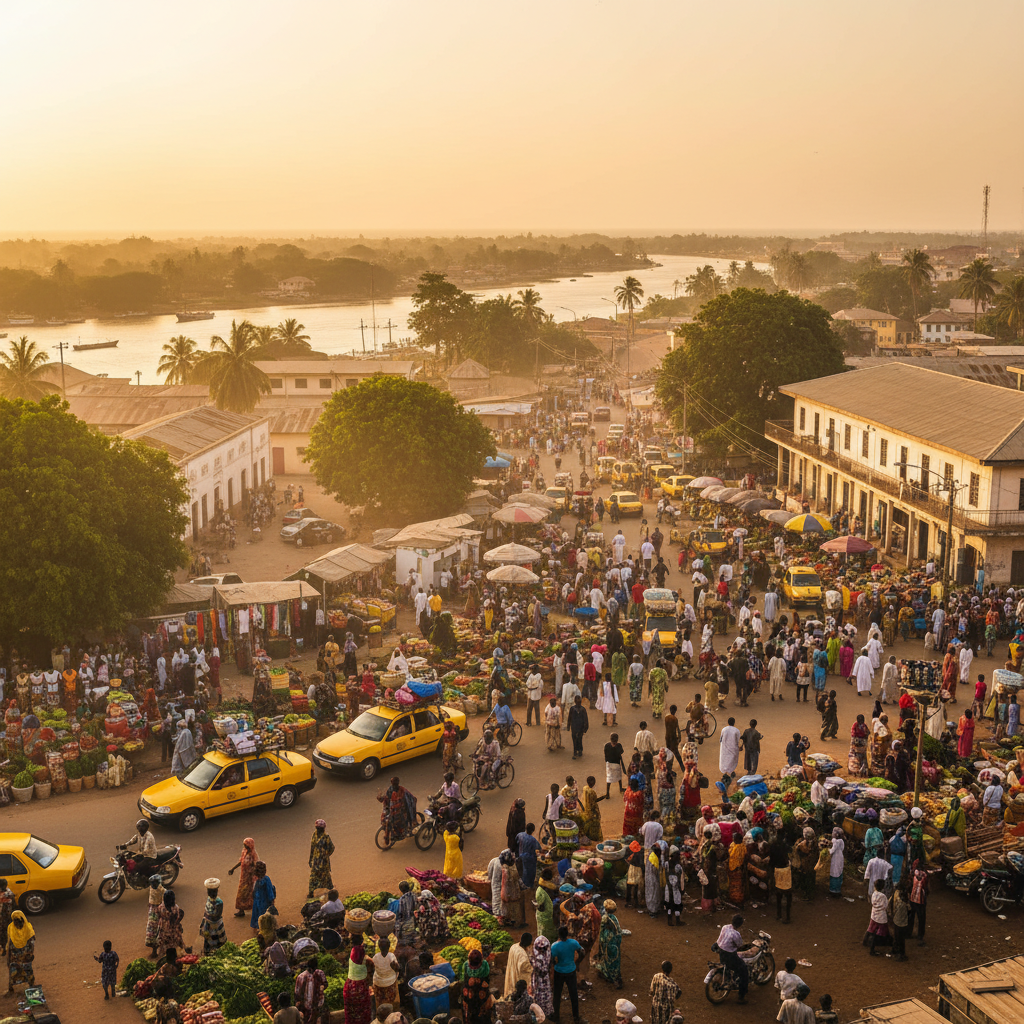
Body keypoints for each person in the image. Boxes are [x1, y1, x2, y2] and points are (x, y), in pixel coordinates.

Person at [550, 925, 583, 1024]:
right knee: (573, 994)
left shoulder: (554, 946)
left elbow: (551, 959)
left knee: (557, 994)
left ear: (559, 934)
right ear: (567, 934)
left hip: (559, 971)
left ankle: (556, 1017)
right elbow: (582, 951)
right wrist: (577, 962)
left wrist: (555, 964)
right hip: (571, 971)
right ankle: (576, 1017)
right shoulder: (573, 942)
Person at [715, 914, 749, 1004]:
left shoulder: (725, 927)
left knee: (733, 967)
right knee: (744, 973)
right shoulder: (736, 934)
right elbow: (739, 945)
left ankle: (732, 978)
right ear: (740, 925)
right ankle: (741, 997)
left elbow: (720, 939)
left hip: (721, 953)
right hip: (730, 956)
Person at [378, 776, 416, 842]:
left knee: (394, 820)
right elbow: (384, 799)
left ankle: (394, 835)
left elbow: (410, 797)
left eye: (395, 783)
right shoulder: (389, 790)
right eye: (393, 783)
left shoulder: (402, 790)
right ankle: (390, 834)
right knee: (386, 820)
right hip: (390, 809)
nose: (394, 784)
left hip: (400, 810)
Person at [594, 899, 623, 987]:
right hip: (614, 941)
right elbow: (619, 932)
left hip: (606, 941)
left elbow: (601, 930)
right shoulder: (615, 919)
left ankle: (609, 976)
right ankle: (616, 977)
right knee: (615, 960)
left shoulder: (605, 918)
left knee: (606, 958)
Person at [228, 837, 259, 918]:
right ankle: (241, 909)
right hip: (243, 877)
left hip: (250, 878)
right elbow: (241, 861)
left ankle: (251, 908)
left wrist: (255, 875)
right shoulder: (244, 852)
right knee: (242, 893)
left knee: (249, 893)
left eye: (246, 845)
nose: (245, 847)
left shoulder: (253, 855)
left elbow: (256, 866)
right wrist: (233, 869)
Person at [460, 948, 493, 1024]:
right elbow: (487, 977)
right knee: (483, 1013)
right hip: (482, 993)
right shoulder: (485, 964)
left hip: (469, 995)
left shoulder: (465, 965)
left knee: (469, 1013)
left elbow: (462, 979)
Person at [343, 945, 373, 1024]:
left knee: (351, 1014)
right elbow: (374, 965)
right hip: (361, 987)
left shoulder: (351, 958)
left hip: (349, 986)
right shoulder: (366, 960)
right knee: (363, 1013)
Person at [199, 878, 227, 955]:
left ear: (217, 891)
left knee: (218, 942)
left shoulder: (219, 902)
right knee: (207, 940)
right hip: (208, 924)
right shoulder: (209, 899)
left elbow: (217, 915)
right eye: (210, 891)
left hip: (215, 925)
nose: (211, 893)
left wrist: (209, 918)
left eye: (213, 891)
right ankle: (207, 953)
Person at [371, 936, 399, 1009]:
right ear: (389, 946)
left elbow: (373, 968)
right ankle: (389, 1011)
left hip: (378, 982)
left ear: (379, 946)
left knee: (380, 1000)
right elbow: (397, 968)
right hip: (389, 983)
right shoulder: (391, 956)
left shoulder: (375, 957)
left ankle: (381, 1011)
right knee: (389, 1001)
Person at [504, 933, 533, 998]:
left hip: (512, 973)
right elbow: (526, 969)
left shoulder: (514, 946)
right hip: (518, 978)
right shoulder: (523, 956)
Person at [530, 934, 554, 1015]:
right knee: (545, 994)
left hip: (537, 979)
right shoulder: (547, 956)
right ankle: (546, 1010)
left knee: (537, 994)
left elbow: (537, 970)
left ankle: (538, 1011)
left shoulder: (535, 958)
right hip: (545, 978)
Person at [865, 879, 890, 956]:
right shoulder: (883, 896)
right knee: (878, 933)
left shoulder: (874, 894)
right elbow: (886, 906)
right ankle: (873, 949)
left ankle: (865, 942)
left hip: (874, 915)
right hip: (881, 917)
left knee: (870, 929)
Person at [156, 889, 184, 956]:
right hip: (173, 929)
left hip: (163, 928)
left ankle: (163, 956)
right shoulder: (175, 908)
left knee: (164, 944)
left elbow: (158, 915)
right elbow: (178, 918)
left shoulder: (160, 907)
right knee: (173, 944)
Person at [251, 861, 276, 932]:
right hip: (264, 901)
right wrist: (272, 900)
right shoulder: (266, 879)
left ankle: (255, 928)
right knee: (264, 915)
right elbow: (270, 891)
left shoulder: (256, 879)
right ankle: (264, 928)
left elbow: (254, 889)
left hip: (257, 899)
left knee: (256, 914)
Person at [719, 717, 741, 784]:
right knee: (732, 760)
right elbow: (738, 740)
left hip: (724, 748)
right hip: (733, 748)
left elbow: (721, 739)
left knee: (725, 759)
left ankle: (725, 772)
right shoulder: (736, 731)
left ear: (728, 722)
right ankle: (731, 771)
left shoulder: (724, 729)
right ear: (734, 723)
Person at [567, 695, 589, 759]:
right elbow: (569, 718)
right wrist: (568, 726)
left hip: (580, 727)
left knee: (579, 739)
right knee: (574, 739)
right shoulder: (573, 709)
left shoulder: (582, 709)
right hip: (574, 726)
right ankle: (575, 751)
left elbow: (585, 720)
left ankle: (579, 750)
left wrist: (585, 728)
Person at [828, 828, 845, 897]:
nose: (832, 833)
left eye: (833, 832)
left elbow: (832, 850)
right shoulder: (841, 841)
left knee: (834, 872)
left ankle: (833, 891)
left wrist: (826, 851)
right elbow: (842, 848)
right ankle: (838, 889)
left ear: (836, 834)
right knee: (839, 872)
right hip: (840, 856)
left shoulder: (835, 841)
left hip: (836, 858)